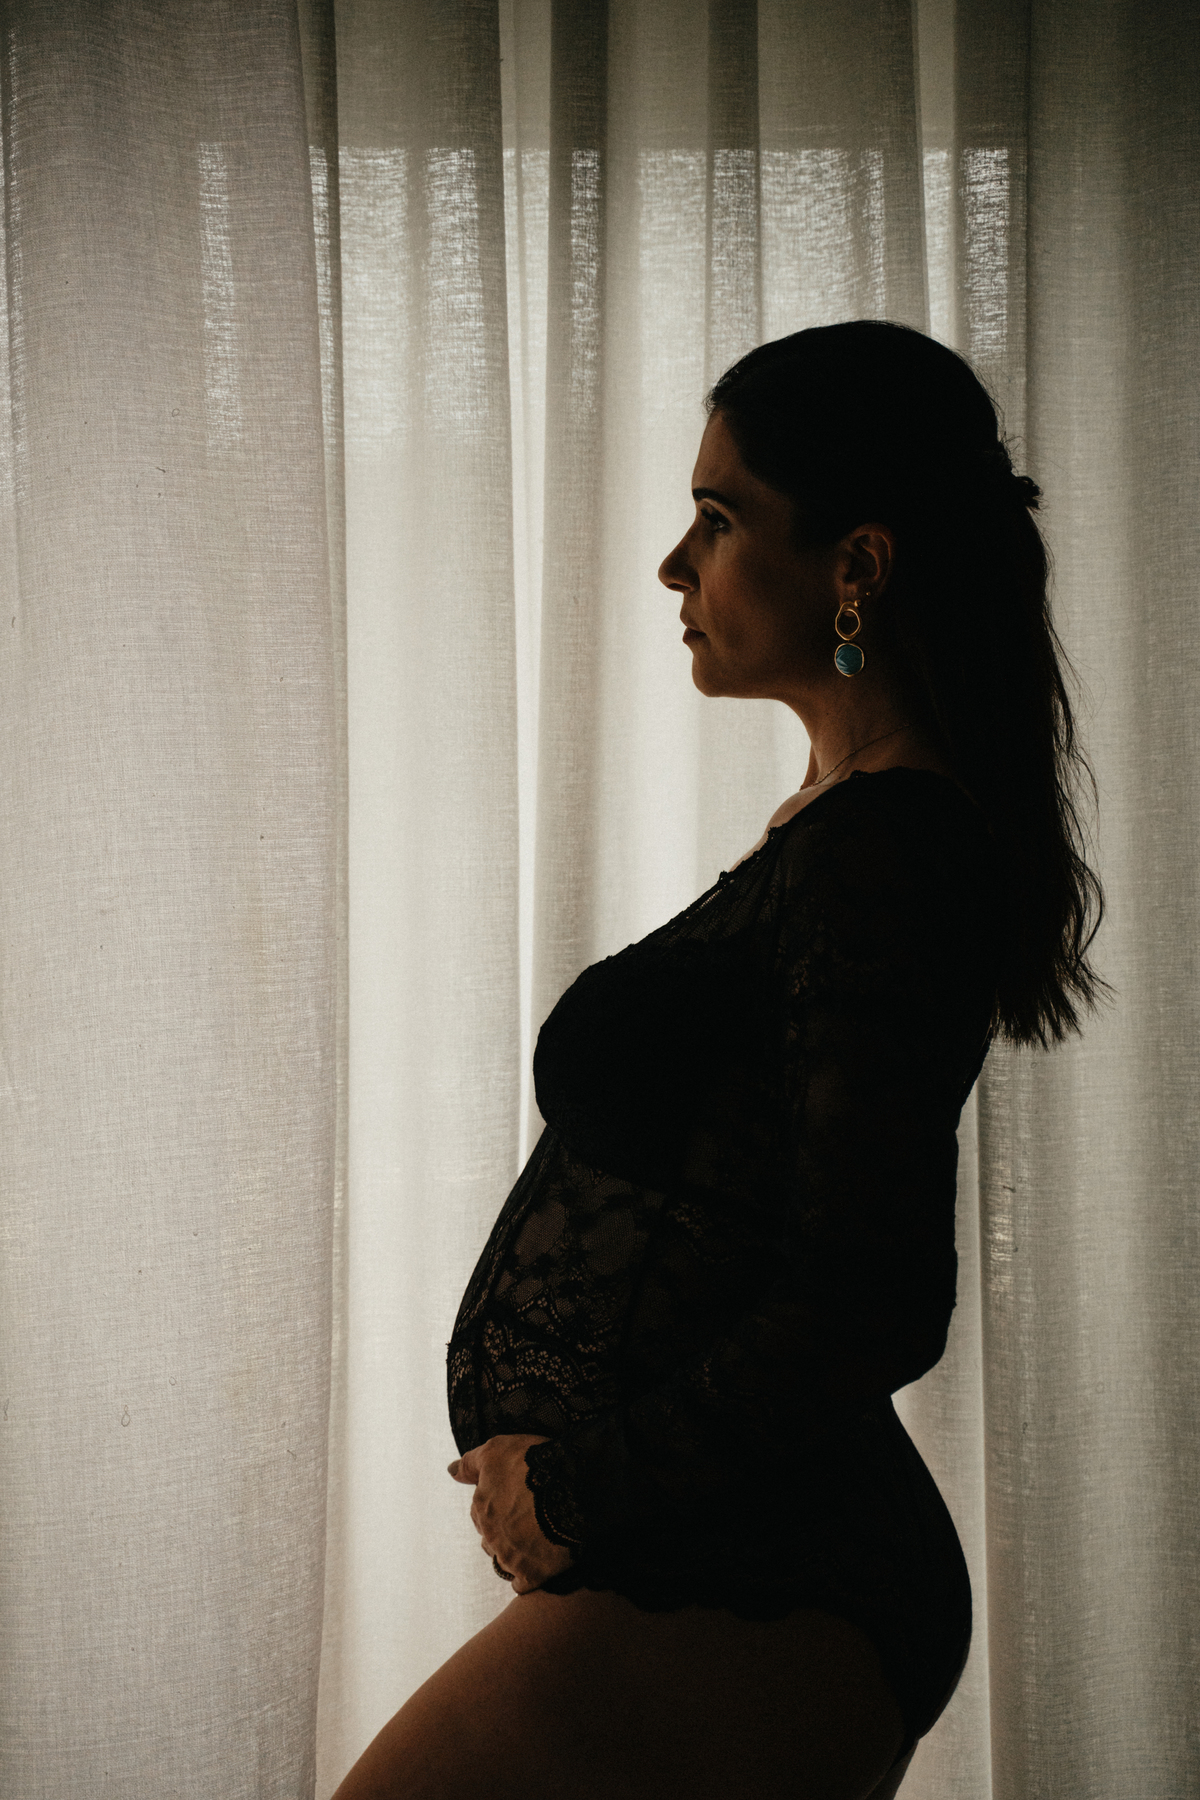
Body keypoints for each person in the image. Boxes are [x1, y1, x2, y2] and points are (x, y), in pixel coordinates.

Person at [331, 320, 1105, 1799]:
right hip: (727, 1553)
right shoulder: (844, 831)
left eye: (720, 519)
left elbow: (868, 1295)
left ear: (857, 565)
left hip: (771, 1569)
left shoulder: (885, 855)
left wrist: (573, 1490)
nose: (674, 567)